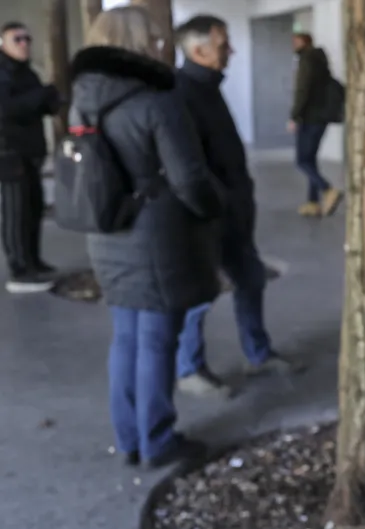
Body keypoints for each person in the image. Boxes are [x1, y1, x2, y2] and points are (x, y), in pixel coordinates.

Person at [71, 6, 224, 467]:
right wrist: (216, 208)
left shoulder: (84, 98)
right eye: (155, 38)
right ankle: (158, 440)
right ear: (138, 43)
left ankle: (130, 439)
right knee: (157, 338)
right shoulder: (158, 100)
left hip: (107, 230)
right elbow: (189, 178)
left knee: (126, 337)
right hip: (156, 235)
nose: (162, 45)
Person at [173, 15, 298, 397]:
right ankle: (189, 368)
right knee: (198, 295)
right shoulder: (182, 93)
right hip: (208, 215)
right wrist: (214, 203)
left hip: (234, 209)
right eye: (223, 45)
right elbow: (189, 164)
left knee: (250, 278)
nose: (231, 51)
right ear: (198, 51)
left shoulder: (210, 87)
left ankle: (257, 353)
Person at [0, 21, 61, 293]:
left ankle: (33, 261)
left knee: (33, 209)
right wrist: (40, 96)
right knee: (16, 213)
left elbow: (39, 106)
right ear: (3, 43)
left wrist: (50, 99)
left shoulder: (27, 73)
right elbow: (5, 109)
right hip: (9, 153)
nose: (24, 44)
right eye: (17, 39)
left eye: (27, 38)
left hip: (30, 152)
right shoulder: (2, 73)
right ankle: (20, 270)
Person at [288, 32, 342, 218]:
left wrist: (294, 116)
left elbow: (302, 90)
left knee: (302, 161)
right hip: (321, 117)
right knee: (310, 159)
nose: (293, 44)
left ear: (304, 42)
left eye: (295, 41)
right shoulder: (320, 60)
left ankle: (327, 190)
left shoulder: (307, 60)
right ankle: (313, 203)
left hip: (309, 117)